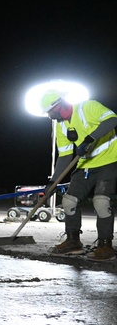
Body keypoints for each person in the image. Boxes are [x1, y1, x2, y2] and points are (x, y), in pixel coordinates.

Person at [40, 91, 117, 260]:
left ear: (59, 105)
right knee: (69, 201)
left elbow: (112, 120)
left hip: (109, 161)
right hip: (85, 166)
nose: (50, 116)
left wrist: (89, 139)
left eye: (50, 112)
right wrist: (52, 182)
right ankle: (73, 242)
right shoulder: (61, 126)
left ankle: (106, 245)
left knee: (101, 202)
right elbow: (65, 156)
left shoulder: (88, 107)